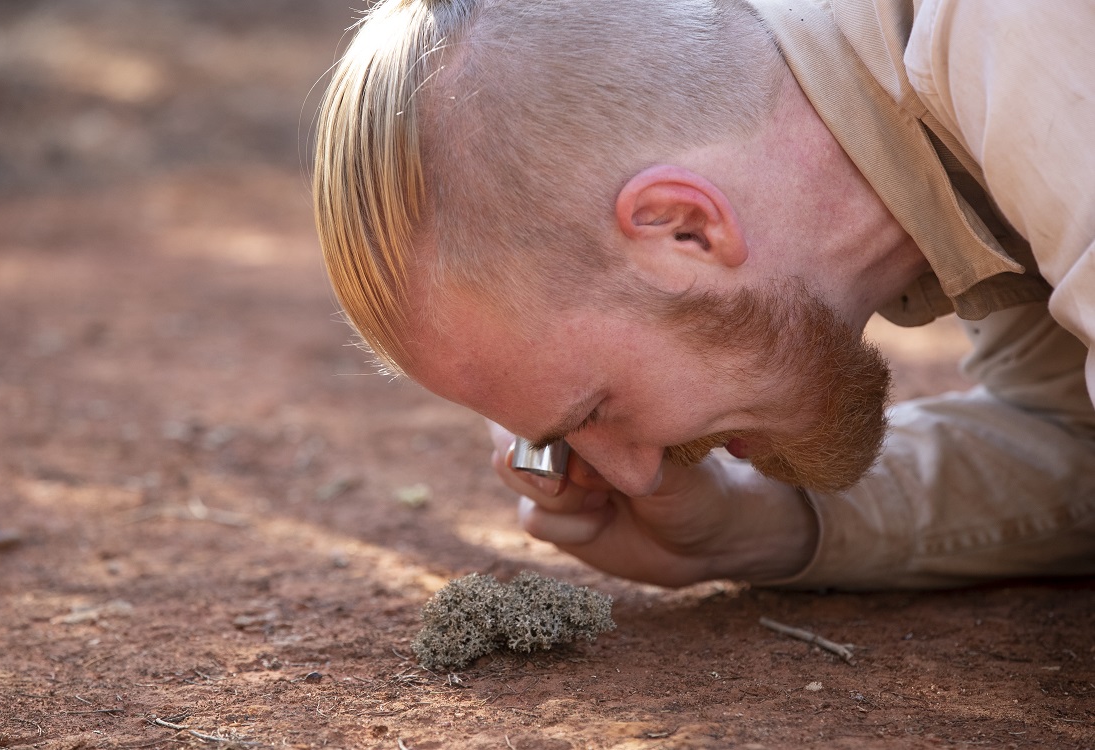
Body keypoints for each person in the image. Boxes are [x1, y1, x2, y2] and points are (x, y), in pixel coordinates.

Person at [313, 0, 1095, 589]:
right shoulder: (927, 142)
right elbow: (1076, 444)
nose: (635, 479)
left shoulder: (1025, 41)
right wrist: (755, 524)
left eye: (593, 412)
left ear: (684, 229)